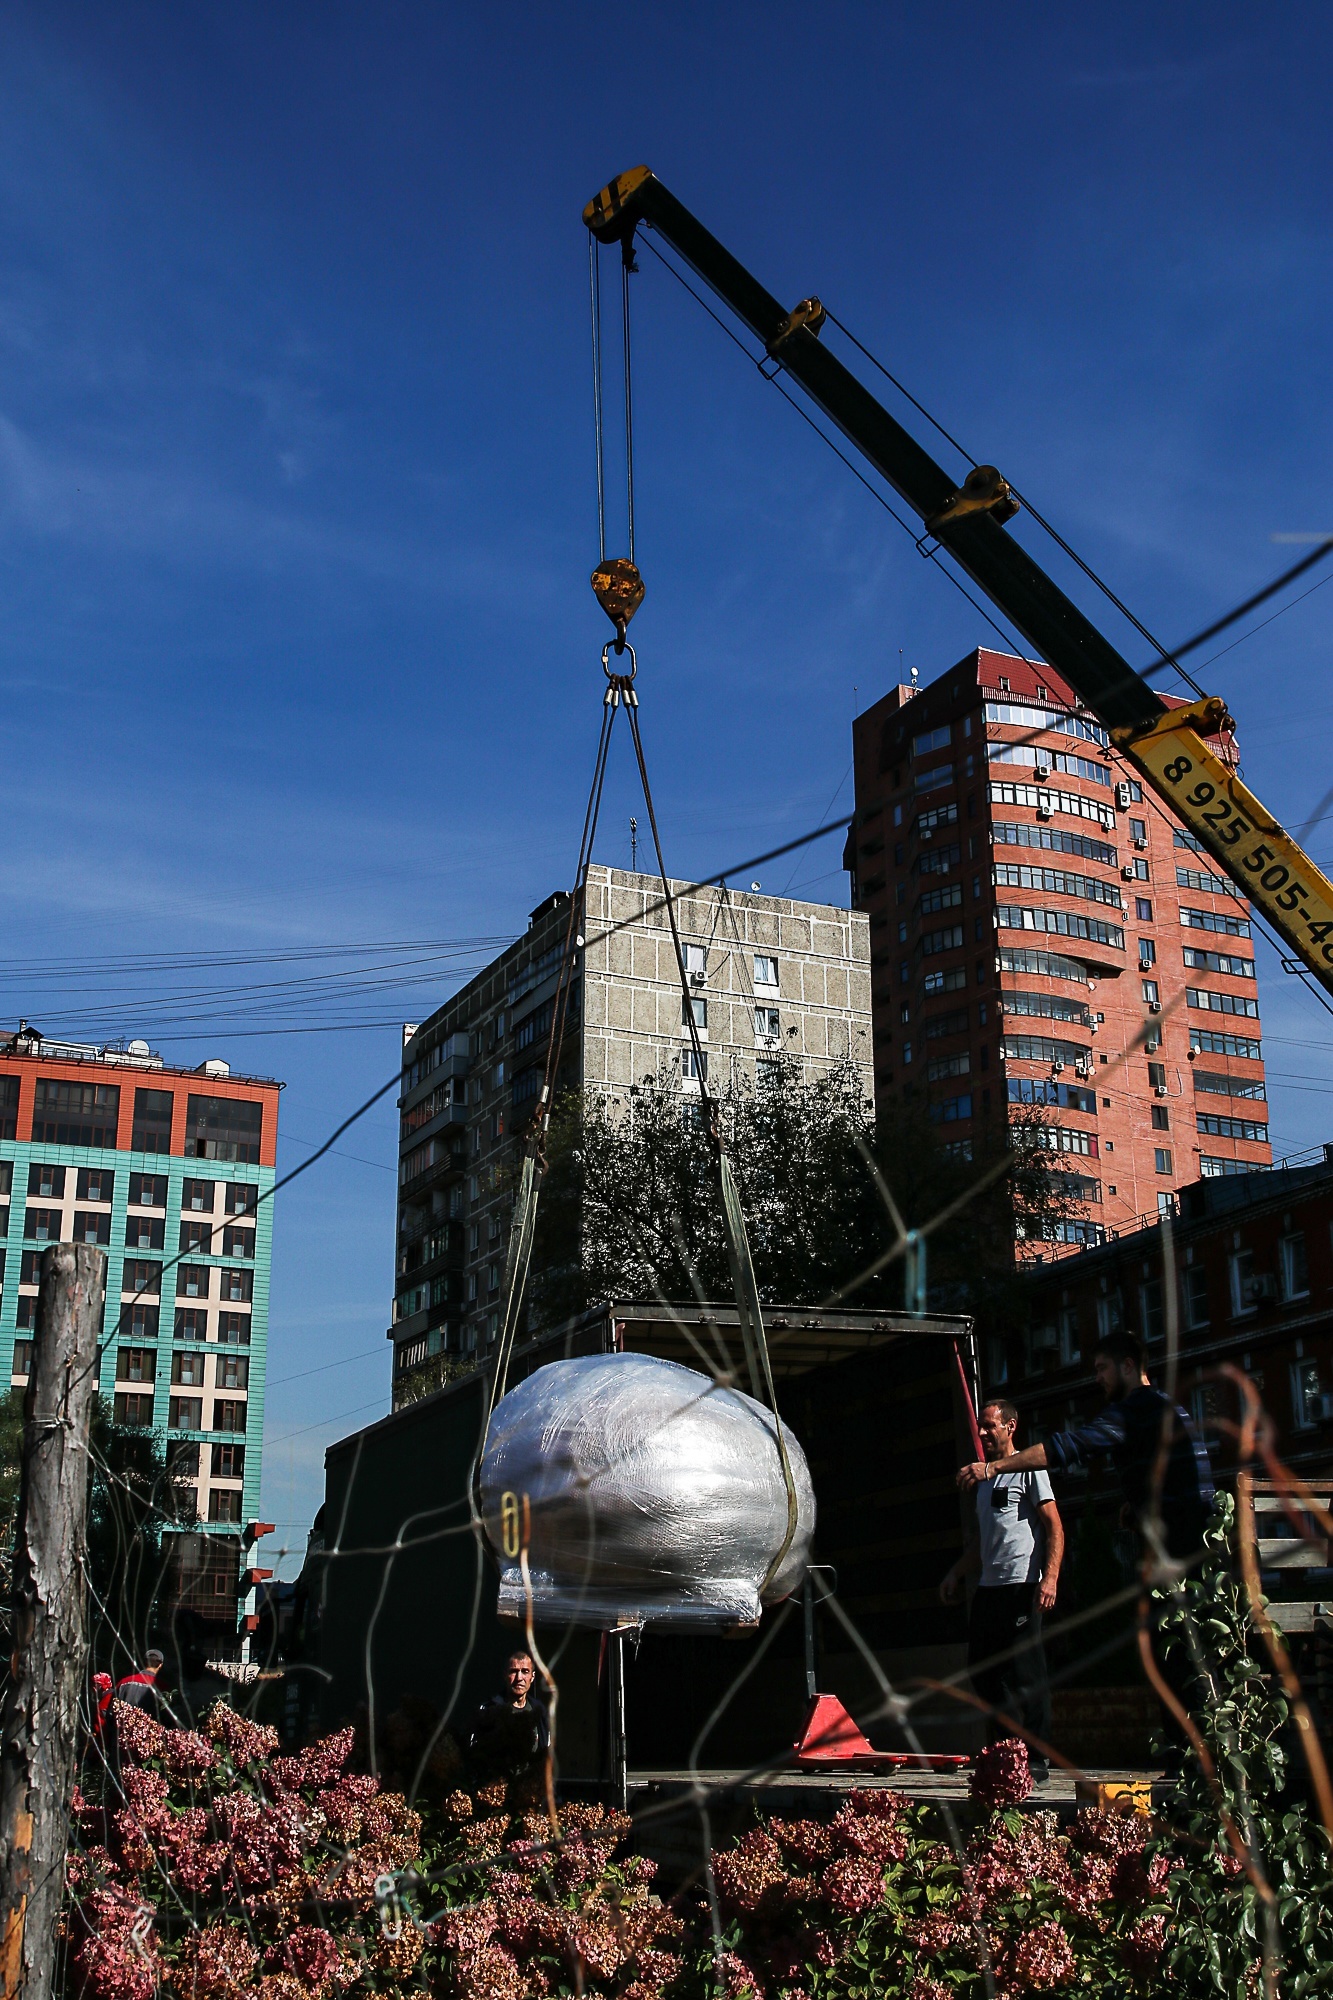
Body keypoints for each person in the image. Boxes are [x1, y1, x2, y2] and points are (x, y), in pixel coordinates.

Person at [956, 1331, 1214, 1560]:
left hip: (1181, 1543)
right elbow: (1173, 1470)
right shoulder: (1163, 1404)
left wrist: (992, 1468)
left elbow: (1066, 1447)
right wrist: (1137, 1505)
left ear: (1127, 1366)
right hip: (1200, 1532)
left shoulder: (1131, 1411)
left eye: (1103, 1368)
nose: (1098, 1378)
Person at [940, 1397, 1063, 1784]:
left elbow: (1054, 1527)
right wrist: (956, 1573)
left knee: (1027, 1671)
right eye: (979, 1426)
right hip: (990, 1587)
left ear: (1010, 1427)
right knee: (984, 1669)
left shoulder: (1030, 1469)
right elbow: (982, 1541)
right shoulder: (984, 1480)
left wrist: (1051, 1578)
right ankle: (1012, 1750)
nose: (981, 1433)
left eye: (989, 1426)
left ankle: (1039, 1755)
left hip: (1023, 1584)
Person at [467, 1649, 549, 1780]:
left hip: (528, 1791)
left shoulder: (539, 1712)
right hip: (495, 1790)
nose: (519, 1678)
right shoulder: (489, 1710)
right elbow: (473, 1756)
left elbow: (546, 1756)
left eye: (525, 1672)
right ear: (505, 1675)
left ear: (532, 1677)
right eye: (514, 1671)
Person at [115, 1649, 170, 1719]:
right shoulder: (163, 1687)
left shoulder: (124, 1682)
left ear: (144, 1662)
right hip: (149, 1728)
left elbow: (111, 1708)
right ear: (160, 1665)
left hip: (122, 1727)